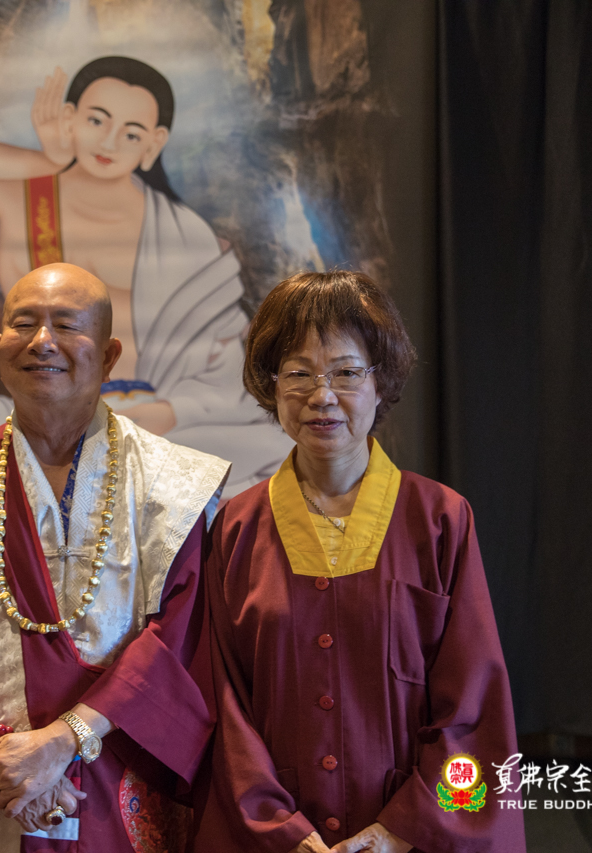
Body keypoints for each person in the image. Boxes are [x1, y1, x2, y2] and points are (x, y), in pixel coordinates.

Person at [0, 262, 230, 852]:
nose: (42, 341)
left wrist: (64, 740)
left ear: (109, 355)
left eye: (66, 325)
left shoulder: (173, 483)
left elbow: (179, 635)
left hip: (118, 771)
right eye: (24, 324)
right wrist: (2, 759)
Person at [191, 271, 526, 852]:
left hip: (411, 836)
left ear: (381, 381)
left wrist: (402, 830)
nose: (322, 396)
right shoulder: (237, 529)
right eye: (298, 373)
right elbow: (224, 706)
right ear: (272, 386)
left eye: (346, 372)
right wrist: (280, 830)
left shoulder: (439, 520)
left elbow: (473, 710)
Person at [0, 56, 293, 495]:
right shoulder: (28, 200)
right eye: (96, 120)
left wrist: (168, 412)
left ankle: (80, 470)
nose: (110, 141)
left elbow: (225, 363)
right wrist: (47, 159)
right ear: (69, 119)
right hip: (44, 415)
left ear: (153, 144)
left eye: (131, 133)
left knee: (273, 443)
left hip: (157, 419)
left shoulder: (184, 232)